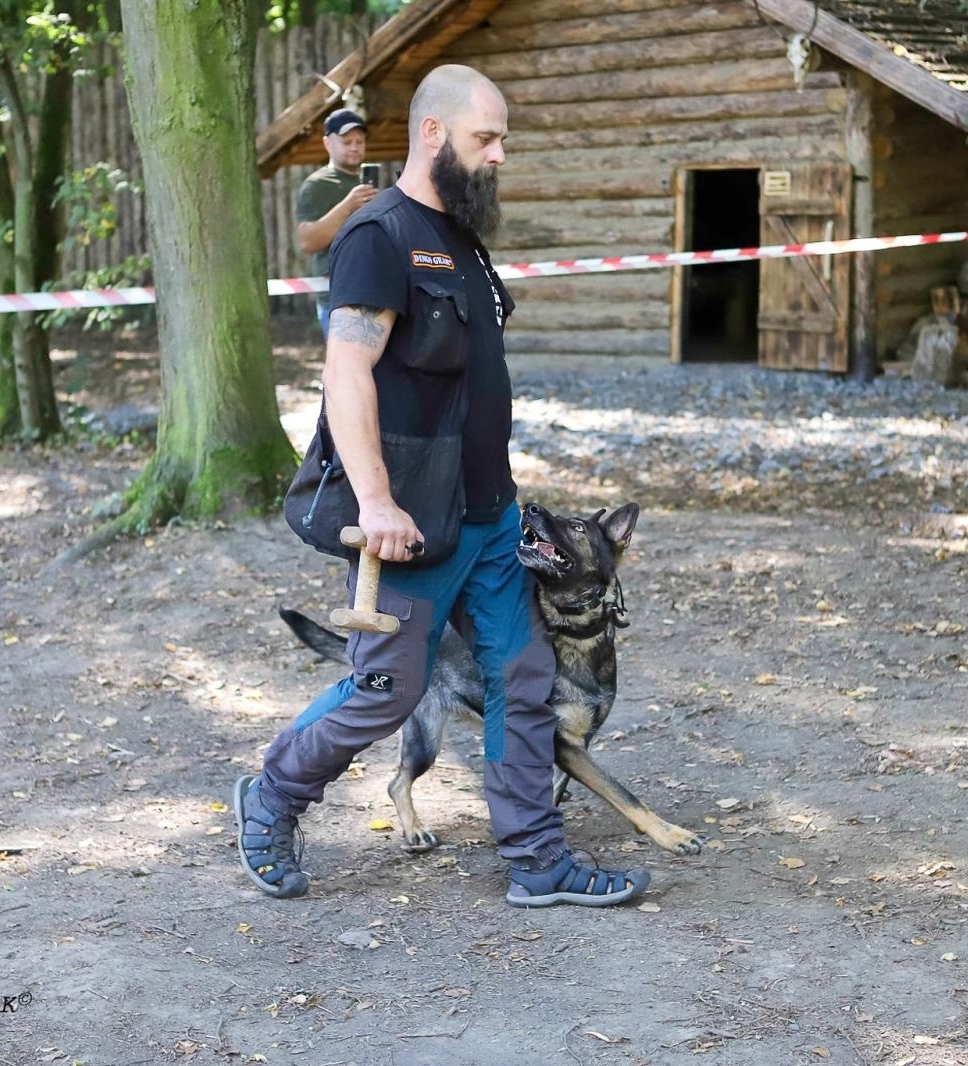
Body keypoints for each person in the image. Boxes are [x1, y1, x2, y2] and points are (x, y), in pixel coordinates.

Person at [236, 65, 652, 909]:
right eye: (485, 139)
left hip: (493, 520)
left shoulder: (464, 234)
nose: (499, 155)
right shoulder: (378, 236)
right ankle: (272, 797)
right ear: (433, 134)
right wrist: (379, 502)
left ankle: (538, 859)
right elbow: (346, 373)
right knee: (384, 695)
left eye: (501, 140)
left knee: (523, 678)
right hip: (413, 528)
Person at [295, 108, 379, 337]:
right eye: (347, 141)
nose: (354, 147)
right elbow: (307, 242)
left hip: (376, 292)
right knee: (347, 370)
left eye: (359, 141)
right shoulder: (317, 185)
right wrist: (348, 205)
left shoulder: (368, 182)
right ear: (327, 143)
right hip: (339, 299)